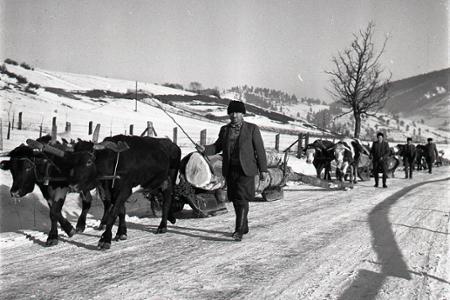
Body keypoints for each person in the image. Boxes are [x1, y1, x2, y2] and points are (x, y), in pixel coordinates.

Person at [196, 100, 268, 241]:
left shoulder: (252, 129)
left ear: (243, 114)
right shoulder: (225, 130)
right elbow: (217, 147)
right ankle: (244, 224)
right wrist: (205, 149)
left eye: (238, 112)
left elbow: (260, 150)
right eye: (232, 112)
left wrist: (263, 169)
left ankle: (238, 230)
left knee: (241, 198)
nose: (234, 115)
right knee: (235, 199)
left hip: (246, 169)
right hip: (230, 170)